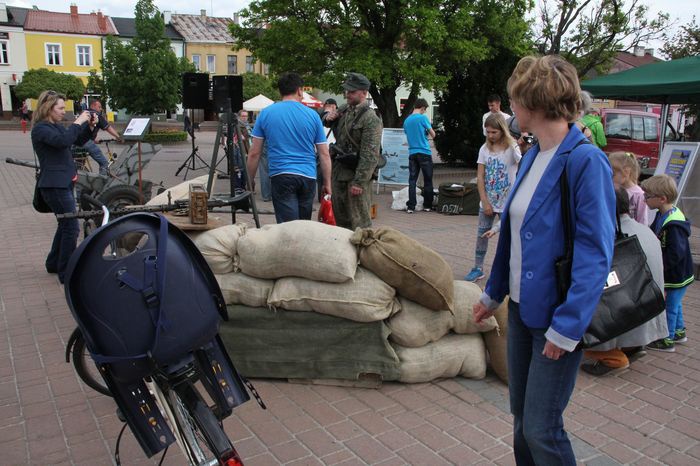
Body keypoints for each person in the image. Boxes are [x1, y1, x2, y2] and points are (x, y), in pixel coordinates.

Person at [473, 55, 616, 465]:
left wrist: (567, 327)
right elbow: (514, 235)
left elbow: (595, 252)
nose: (508, 110)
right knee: (522, 422)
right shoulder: (534, 154)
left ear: (532, 106)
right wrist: (492, 293)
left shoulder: (586, 161)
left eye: (515, 101)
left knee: (542, 428)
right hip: (519, 310)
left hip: (556, 318)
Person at [580, 188, 668, 376]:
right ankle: (631, 346)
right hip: (648, 311)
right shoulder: (644, 231)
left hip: (626, 314)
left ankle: (612, 357)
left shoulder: (608, 236)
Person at [247, 72, 331, 223]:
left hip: (281, 174)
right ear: (300, 90)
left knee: (288, 227)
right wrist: (327, 183)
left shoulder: (265, 114)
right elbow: (324, 154)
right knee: (303, 224)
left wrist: (250, 179)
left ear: (280, 91)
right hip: (308, 176)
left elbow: (254, 153)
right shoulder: (312, 116)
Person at [31, 90, 94, 283]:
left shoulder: (55, 126)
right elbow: (63, 141)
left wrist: (90, 127)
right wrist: (77, 122)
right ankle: (67, 273)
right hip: (54, 185)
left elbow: (77, 140)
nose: (63, 111)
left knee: (65, 224)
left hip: (63, 183)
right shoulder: (41, 129)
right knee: (71, 228)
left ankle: (53, 263)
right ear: (48, 109)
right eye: (60, 108)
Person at [464, 113, 521, 282]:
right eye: (488, 132)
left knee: (508, 238)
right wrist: (485, 200)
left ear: (502, 131)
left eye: (494, 132)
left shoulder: (512, 148)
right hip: (488, 201)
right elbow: (480, 176)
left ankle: (508, 270)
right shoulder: (484, 149)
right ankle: (478, 267)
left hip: (508, 202)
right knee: (481, 235)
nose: (490, 135)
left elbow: (524, 166)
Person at [641, 174, 694, 352]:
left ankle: (666, 339)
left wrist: (661, 267)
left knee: (669, 306)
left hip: (676, 274)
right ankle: (679, 332)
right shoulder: (663, 214)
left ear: (662, 199)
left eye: (647, 196)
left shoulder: (673, 225)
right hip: (677, 273)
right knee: (675, 303)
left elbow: (675, 254)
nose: (645, 199)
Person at [323, 72, 382, 230]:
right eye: (347, 91)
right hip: (339, 172)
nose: (348, 94)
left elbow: (370, 155)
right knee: (340, 221)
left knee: (360, 223)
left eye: (352, 91)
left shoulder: (370, 118)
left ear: (364, 93)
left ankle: (363, 253)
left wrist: (360, 182)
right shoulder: (344, 109)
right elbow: (326, 122)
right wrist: (327, 118)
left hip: (355, 176)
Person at [403, 98, 435, 213]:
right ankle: (427, 205)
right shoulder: (423, 118)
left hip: (412, 153)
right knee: (427, 180)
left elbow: (408, 135)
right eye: (424, 110)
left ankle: (411, 206)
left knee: (412, 180)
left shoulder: (406, 121)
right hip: (424, 152)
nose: (424, 112)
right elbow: (433, 134)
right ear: (422, 108)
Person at [74, 99, 122, 175]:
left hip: (75, 142)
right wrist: (118, 137)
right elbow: (108, 128)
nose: (100, 109)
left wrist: (94, 139)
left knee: (79, 164)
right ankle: (101, 182)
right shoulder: (95, 115)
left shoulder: (83, 114)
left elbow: (84, 129)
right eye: (99, 107)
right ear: (93, 105)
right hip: (85, 142)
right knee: (104, 164)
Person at [609, 151, 649, 225]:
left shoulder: (639, 194)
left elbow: (642, 221)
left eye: (613, 174)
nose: (610, 178)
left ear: (626, 172)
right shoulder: (613, 190)